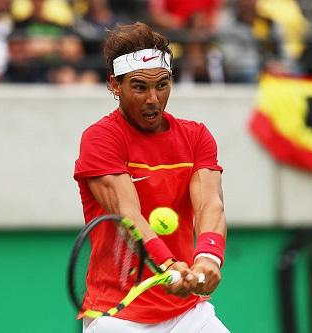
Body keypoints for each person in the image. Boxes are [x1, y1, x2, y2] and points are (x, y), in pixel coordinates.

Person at [73, 22, 230, 333]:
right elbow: (128, 216)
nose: (153, 99)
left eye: (162, 84)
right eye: (140, 86)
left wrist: (209, 257)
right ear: (114, 85)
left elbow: (211, 205)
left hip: (188, 314)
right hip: (117, 318)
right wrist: (169, 266)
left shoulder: (196, 136)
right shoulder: (100, 139)